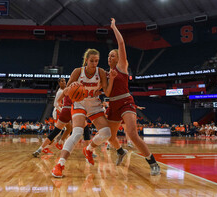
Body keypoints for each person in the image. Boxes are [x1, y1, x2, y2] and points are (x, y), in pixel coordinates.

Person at [51, 48, 117, 178]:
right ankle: (59, 165)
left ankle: (89, 149)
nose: (94, 63)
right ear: (86, 60)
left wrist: (113, 79)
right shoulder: (78, 71)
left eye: (96, 61)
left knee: (106, 133)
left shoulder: (101, 72)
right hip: (79, 103)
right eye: (91, 60)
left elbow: (107, 93)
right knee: (76, 134)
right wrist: (70, 89)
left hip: (94, 104)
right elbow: (66, 90)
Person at [106, 18, 160, 175]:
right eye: (109, 56)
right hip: (113, 105)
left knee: (131, 133)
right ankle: (121, 151)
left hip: (126, 102)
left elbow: (121, 45)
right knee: (110, 137)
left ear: (118, 58)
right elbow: (105, 91)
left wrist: (114, 27)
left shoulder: (122, 66)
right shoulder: (106, 73)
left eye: (113, 56)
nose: (110, 58)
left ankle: (152, 162)